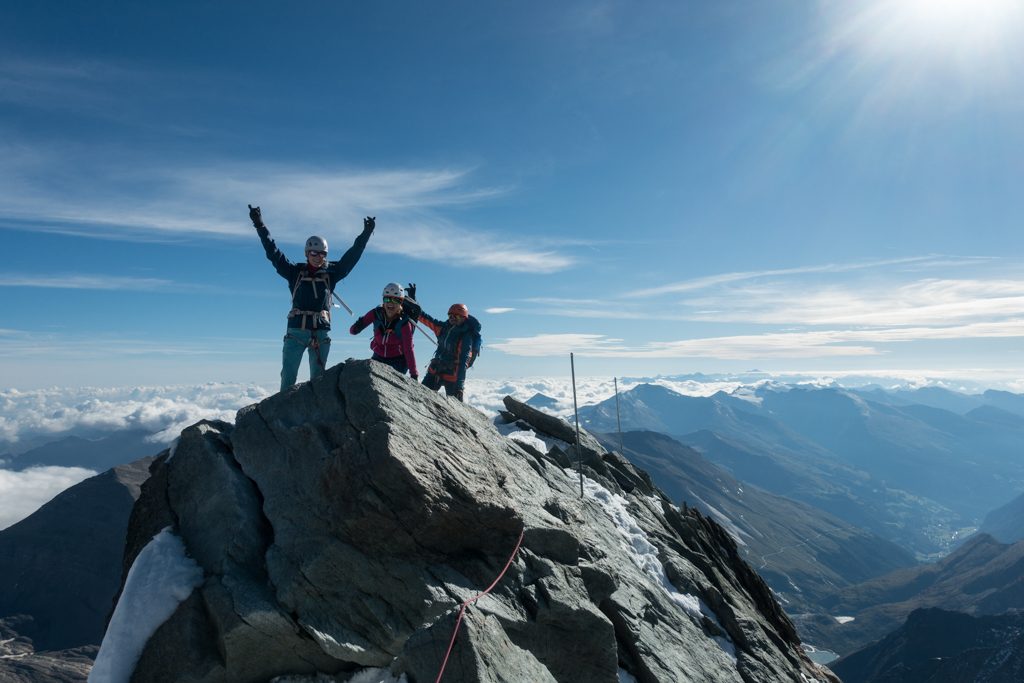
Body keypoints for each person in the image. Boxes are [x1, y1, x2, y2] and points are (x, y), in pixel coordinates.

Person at [249, 204, 374, 391]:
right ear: (307, 253)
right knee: (288, 377)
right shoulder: (294, 272)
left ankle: (316, 417)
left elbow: (352, 256)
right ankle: (282, 415)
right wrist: (260, 226)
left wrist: (365, 235)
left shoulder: (332, 273)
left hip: (320, 332)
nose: (317, 256)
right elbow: (273, 253)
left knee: (319, 380)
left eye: (322, 253)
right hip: (297, 331)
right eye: (313, 253)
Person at [349, 282, 420, 380]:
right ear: (383, 300)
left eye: (396, 300)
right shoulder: (376, 313)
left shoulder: (404, 323)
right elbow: (352, 331)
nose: (390, 303)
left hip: (398, 362)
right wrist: (358, 325)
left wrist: (414, 374)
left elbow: (409, 349)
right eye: (387, 299)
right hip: (378, 356)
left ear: (401, 302)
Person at [416, 302, 481, 402]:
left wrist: (460, 386)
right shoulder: (443, 328)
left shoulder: (466, 337)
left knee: (457, 411)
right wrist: (415, 303)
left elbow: (463, 361)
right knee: (419, 399)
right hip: (435, 371)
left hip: (452, 377)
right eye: (450, 316)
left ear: (464, 318)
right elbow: (426, 319)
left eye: (456, 316)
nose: (452, 318)